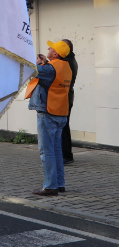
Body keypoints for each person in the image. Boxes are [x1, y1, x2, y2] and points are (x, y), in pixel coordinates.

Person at [26, 40, 72, 197]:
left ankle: (50, 186)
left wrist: (37, 63)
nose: (48, 49)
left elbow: (32, 70)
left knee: (47, 151)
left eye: (51, 48)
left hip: (48, 112)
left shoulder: (50, 68)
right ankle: (60, 183)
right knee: (57, 149)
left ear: (56, 54)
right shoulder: (66, 66)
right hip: (61, 112)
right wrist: (45, 63)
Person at [61, 39, 77, 165]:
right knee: (64, 126)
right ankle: (66, 154)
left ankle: (66, 155)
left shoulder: (67, 62)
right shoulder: (70, 60)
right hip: (68, 97)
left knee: (63, 126)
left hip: (65, 97)